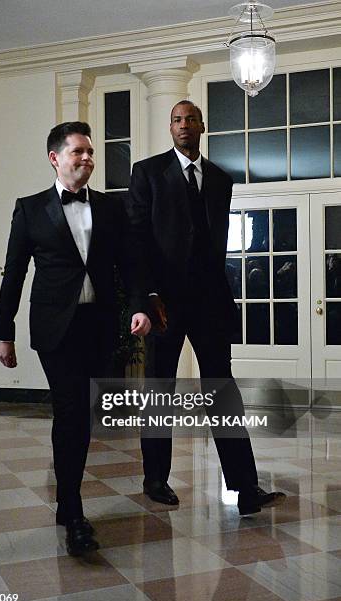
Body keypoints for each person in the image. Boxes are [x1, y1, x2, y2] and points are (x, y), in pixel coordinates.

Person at [0, 121, 151, 555]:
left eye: (90, 152)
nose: (87, 159)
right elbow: (15, 274)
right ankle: (74, 511)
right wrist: (2, 332)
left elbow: (131, 263)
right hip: (54, 329)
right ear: (55, 158)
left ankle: (68, 502)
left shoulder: (110, 208)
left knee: (85, 413)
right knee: (71, 414)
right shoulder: (29, 209)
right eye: (78, 151)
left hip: (99, 326)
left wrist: (139, 305)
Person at [127, 100, 286, 514]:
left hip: (209, 301)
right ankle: (155, 479)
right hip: (164, 302)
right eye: (177, 120)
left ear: (202, 126)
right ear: (171, 127)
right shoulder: (147, 173)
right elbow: (137, 240)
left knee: (222, 390)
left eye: (190, 119)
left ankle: (245, 488)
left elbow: (215, 244)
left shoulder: (220, 179)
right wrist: (147, 295)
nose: (184, 125)